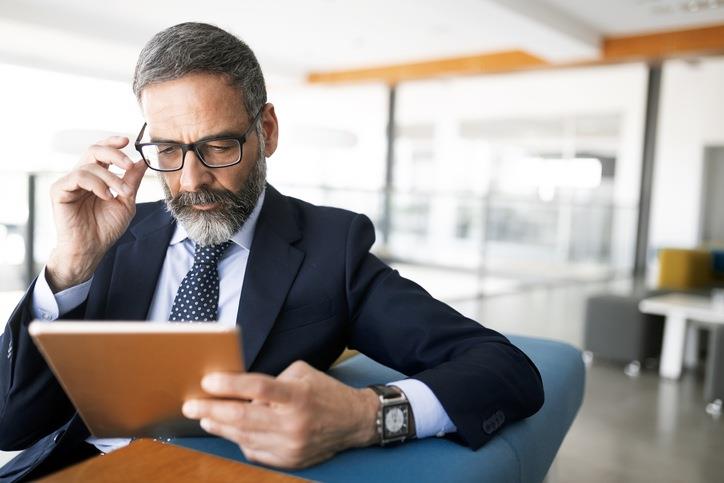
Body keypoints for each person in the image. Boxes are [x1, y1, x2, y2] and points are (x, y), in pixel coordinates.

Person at [0, 22, 544, 481]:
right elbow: (12, 423)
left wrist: (364, 415)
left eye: (218, 145)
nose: (192, 180)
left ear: (267, 130)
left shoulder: (333, 249)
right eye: (168, 149)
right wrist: (71, 265)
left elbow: (505, 368)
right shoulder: (110, 235)